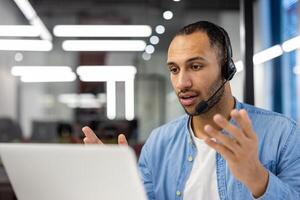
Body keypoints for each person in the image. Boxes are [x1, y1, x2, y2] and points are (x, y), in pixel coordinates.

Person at [82, 21, 300, 200]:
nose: (181, 83)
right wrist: (118, 184)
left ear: (227, 68)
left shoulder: (283, 134)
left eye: (195, 66)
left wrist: (257, 178)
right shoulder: (159, 142)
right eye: (174, 70)